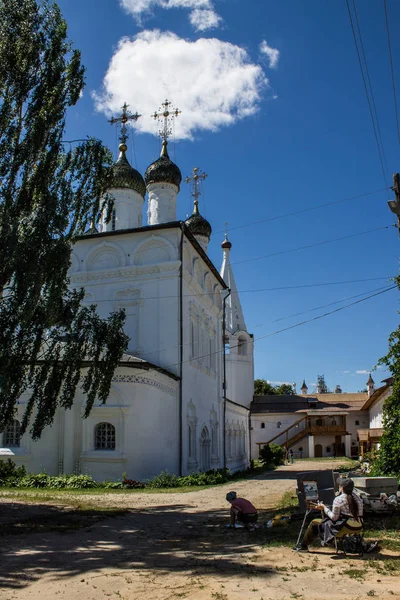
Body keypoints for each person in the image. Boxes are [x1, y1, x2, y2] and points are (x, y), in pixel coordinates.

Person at [294, 477, 364, 552]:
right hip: (359, 526)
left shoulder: (338, 499)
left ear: (342, 488)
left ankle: (303, 546)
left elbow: (334, 518)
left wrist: (324, 508)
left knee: (314, 523)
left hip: (346, 527)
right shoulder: (358, 498)